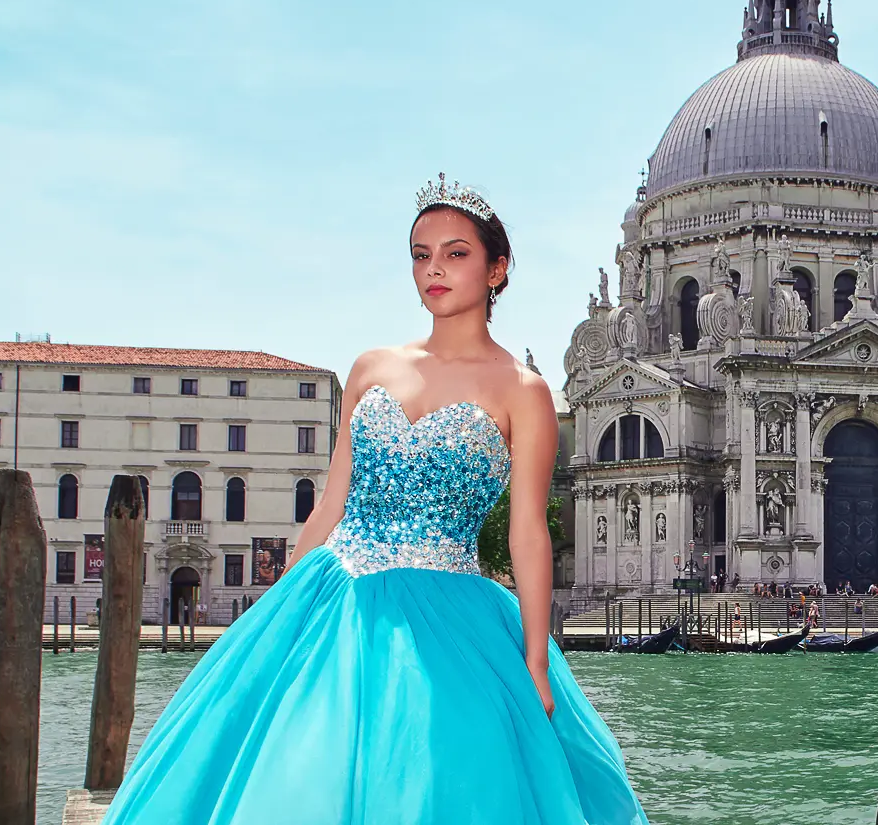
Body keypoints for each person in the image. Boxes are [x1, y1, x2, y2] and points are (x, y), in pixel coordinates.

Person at [103, 176, 648, 825]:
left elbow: (529, 530)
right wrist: (277, 609)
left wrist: (534, 658)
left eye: (455, 252)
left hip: (453, 607)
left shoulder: (523, 390)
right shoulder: (369, 368)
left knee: (438, 775)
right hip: (337, 592)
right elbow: (330, 504)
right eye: (421, 254)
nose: (434, 269)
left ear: (498, 268)